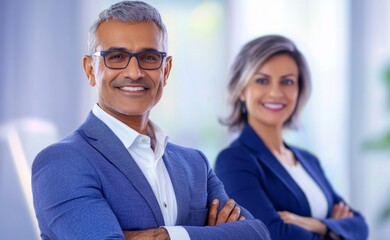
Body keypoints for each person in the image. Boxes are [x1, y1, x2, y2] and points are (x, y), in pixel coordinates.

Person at [31, 2, 271, 240]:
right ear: (91, 70)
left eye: (148, 57)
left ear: (165, 70)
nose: (134, 72)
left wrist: (166, 236)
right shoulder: (61, 163)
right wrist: (210, 234)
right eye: (116, 56)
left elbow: (257, 234)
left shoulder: (195, 165)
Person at [214, 35, 369, 240]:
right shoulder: (234, 160)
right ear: (241, 89)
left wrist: (315, 225)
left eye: (287, 82)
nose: (276, 92)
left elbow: (360, 226)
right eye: (262, 80)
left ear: (299, 90)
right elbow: (271, 235)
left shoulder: (308, 160)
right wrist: (335, 230)